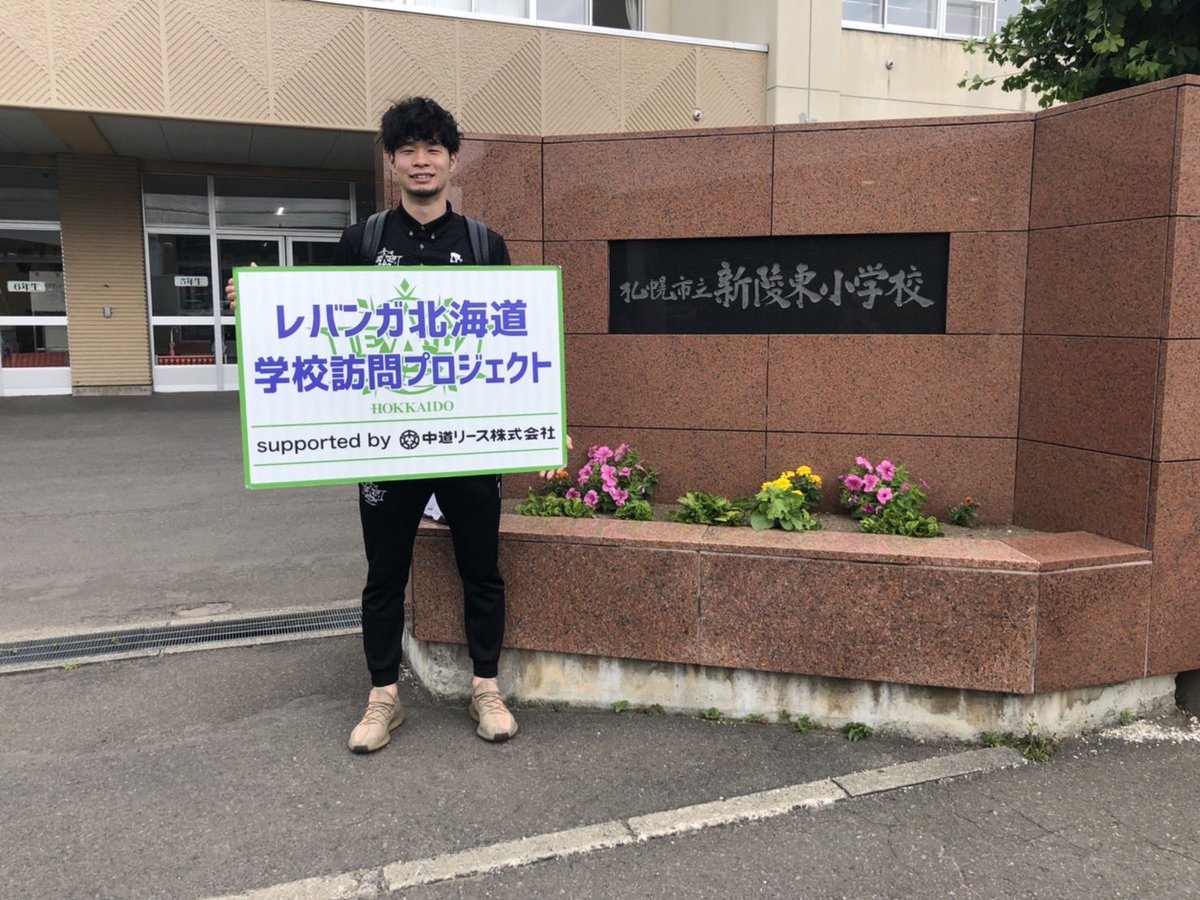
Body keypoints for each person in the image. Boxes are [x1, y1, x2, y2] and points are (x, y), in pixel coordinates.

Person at [227, 96, 567, 753]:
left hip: (468, 442)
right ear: (391, 162)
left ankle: (486, 688)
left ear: (452, 159)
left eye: (433, 148)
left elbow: (515, 344)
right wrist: (259, 305)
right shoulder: (364, 241)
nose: (421, 160)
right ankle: (384, 696)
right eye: (407, 149)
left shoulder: (482, 244)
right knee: (384, 574)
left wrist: (547, 423)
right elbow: (322, 330)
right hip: (386, 444)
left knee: (482, 570)